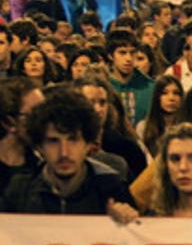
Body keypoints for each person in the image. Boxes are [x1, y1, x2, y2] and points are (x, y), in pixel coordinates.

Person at [1, 88, 136, 221]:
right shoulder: (20, 190)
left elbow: (138, 235)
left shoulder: (111, 187)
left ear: (88, 144)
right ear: (39, 147)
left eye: (73, 140)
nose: (64, 152)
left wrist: (128, 220)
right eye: (53, 141)